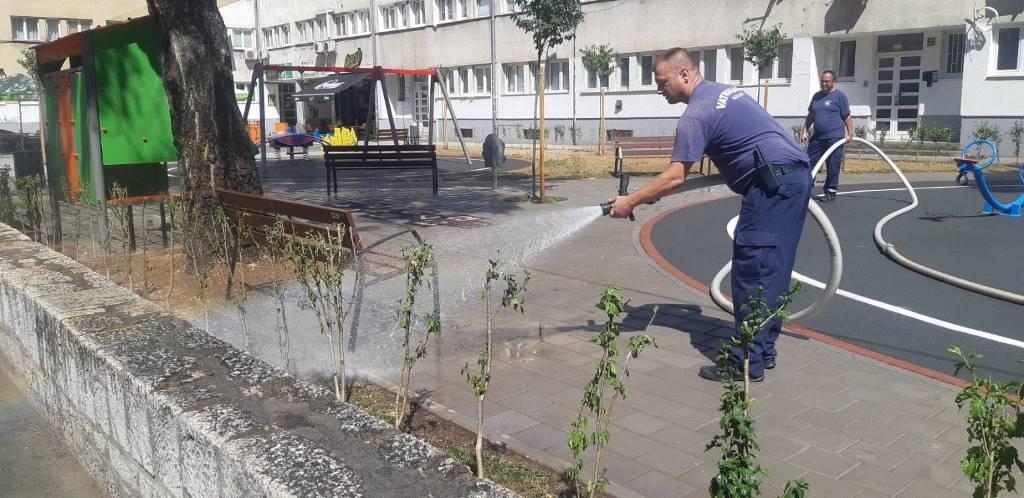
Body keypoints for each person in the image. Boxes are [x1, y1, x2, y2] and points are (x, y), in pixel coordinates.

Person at [607, 48, 811, 382]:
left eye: (663, 82)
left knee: (754, 272)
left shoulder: (695, 115)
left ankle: (745, 362)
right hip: (793, 177)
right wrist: (650, 195)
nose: (660, 90)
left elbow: (675, 176)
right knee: (774, 270)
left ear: (684, 74)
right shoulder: (722, 92)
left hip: (770, 186)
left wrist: (630, 201)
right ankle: (763, 351)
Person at [800, 70, 853, 202]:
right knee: (809, 163)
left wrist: (850, 133)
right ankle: (806, 189)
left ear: (833, 82)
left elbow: (846, 116)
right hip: (818, 137)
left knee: (833, 165)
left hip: (834, 137)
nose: (824, 83)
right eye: (822, 81)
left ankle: (830, 191)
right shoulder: (816, 96)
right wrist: (805, 130)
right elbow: (811, 115)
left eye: (827, 81)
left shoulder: (839, 96)